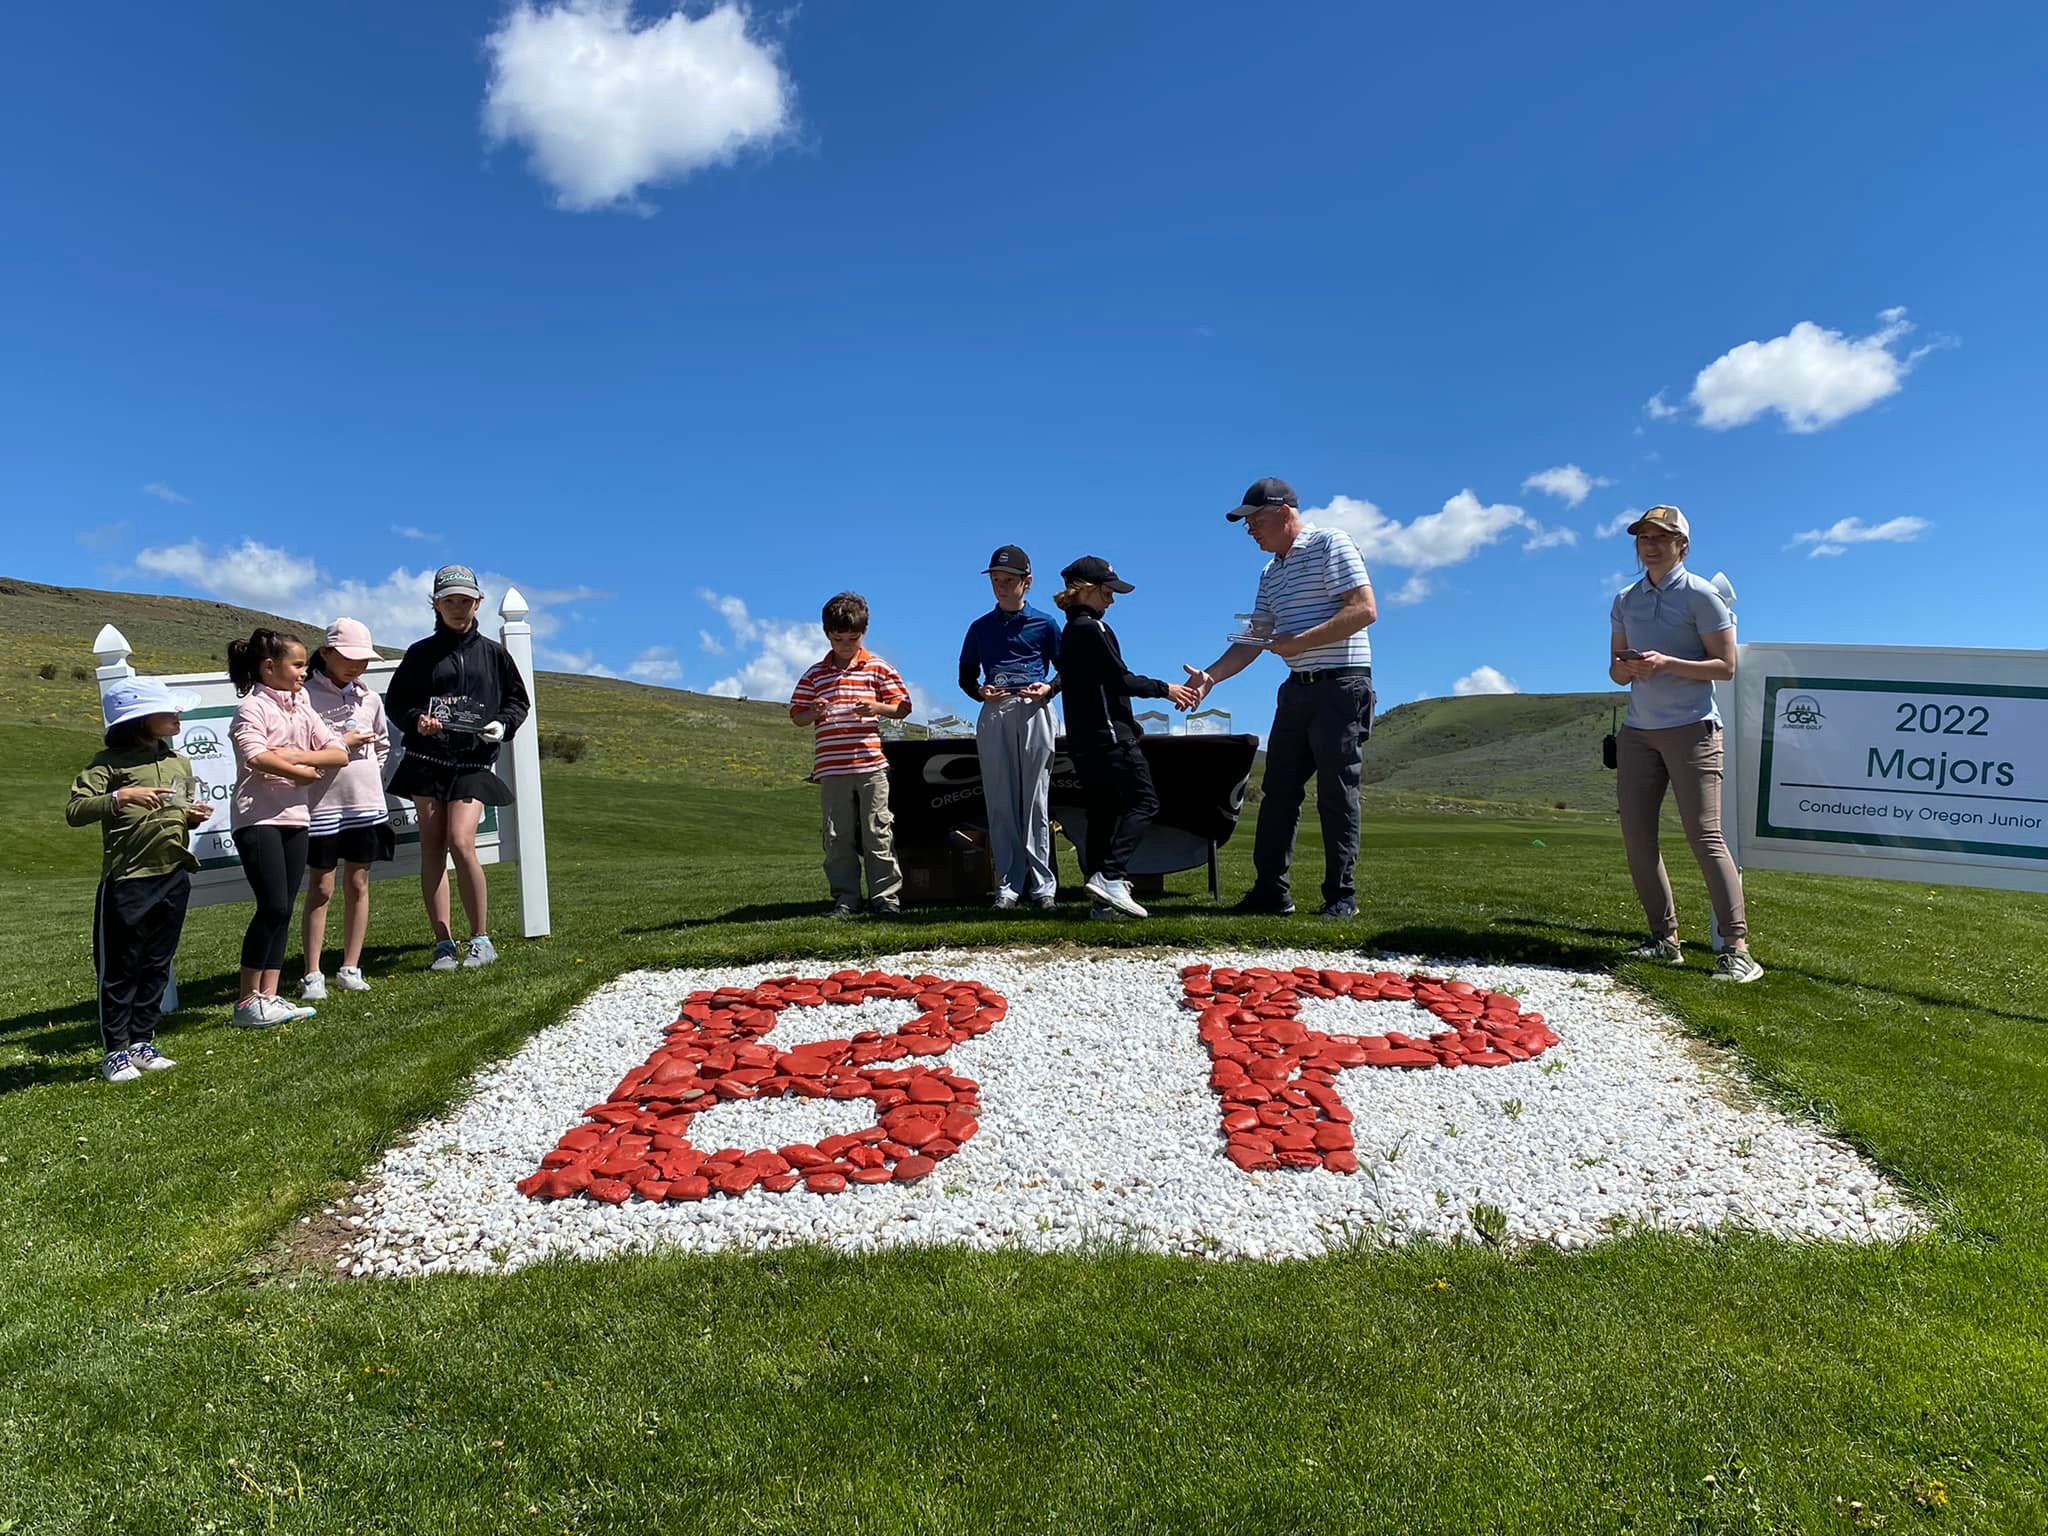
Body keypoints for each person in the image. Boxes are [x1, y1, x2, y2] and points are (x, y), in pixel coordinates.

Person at [1185, 477, 1377, 919]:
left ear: (1285, 514)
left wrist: (1300, 642)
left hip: (1341, 684)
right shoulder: (1271, 572)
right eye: (1247, 523)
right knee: (1278, 792)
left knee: (1336, 792)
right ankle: (1271, 891)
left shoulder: (1331, 543)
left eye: (1256, 520)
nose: (1250, 530)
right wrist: (1211, 677)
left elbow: (1364, 609)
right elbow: (1256, 636)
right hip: (1296, 688)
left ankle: (1341, 896)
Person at [1607, 505, 1763, 982]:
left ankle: (1737, 949)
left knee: (1705, 837)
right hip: (1638, 733)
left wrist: (1666, 663)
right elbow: (1615, 671)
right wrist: (1629, 668)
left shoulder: (1702, 596)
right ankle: (1664, 940)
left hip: (1693, 729)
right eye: (1643, 538)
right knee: (1637, 838)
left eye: (1661, 537)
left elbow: (1725, 667)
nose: (1650, 545)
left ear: (1682, 546)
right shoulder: (1625, 599)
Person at [384, 565, 531, 971]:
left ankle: (481, 938)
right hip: (427, 762)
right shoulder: (419, 653)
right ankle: (443, 943)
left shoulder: (495, 654)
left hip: (472, 762)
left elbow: (517, 701)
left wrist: (502, 725)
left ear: (477, 602)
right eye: (449, 600)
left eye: (465, 600)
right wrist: (417, 721)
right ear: (435, 604)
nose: (457, 607)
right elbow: (397, 703)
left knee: (461, 842)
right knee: (432, 847)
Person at [65, 679, 213, 1080]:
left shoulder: (179, 761)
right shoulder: (108, 763)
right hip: (128, 879)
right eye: (168, 711)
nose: (177, 715)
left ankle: (142, 1042)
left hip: (173, 874)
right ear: (140, 720)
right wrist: (121, 797)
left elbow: (180, 808)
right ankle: (115, 1051)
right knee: (120, 969)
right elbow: (75, 811)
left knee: (157, 964)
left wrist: (191, 816)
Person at [1053, 556, 1198, 920]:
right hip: (1108, 738)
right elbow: (1119, 679)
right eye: (1107, 592)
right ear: (1085, 590)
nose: (1112, 600)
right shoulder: (1092, 629)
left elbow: (1094, 687)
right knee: (1145, 801)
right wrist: (1165, 689)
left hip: (1085, 739)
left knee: (1103, 812)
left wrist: (1127, 721)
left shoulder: (1070, 632)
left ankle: (1102, 902)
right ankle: (1111, 876)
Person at [226, 627, 353, 1029]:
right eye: (297, 665)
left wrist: (296, 758)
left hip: (296, 817)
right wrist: (299, 771)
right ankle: (247, 1001)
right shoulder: (252, 708)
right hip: (258, 818)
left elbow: (338, 752)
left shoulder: (302, 707)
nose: (304, 672)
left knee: (284, 908)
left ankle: (269, 995)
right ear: (269, 667)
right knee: (273, 906)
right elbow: (256, 755)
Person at [789, 592, 914, 917]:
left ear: (864, 632)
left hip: (871, 766)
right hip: (832, 769)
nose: (845, 645)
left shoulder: (877, 667)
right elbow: (797, 715)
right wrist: (814, 711)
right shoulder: (815, 674)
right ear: (827, 634)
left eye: (852, 638)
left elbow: (903, 706)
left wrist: (876, 707)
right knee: (837, 835)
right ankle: (846, 898)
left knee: (877, 830)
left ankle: (885, 899)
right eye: (838, 639)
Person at [957, 544, 1062, 910]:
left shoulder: (1045, 623)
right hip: (996, 710)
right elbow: (966, 675)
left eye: (1008, 581)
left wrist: (1049, 688)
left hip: (1035, 708)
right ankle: (1008, 884)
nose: (1001, 587)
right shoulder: (979, 627)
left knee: (1035, 800)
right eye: (996, 581)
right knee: (1000, 800)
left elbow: (1067, 669)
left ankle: (1043, 886)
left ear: (1026, 582)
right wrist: (979, 692)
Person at [299, 618, 393, 1000]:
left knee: (358, 883)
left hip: (365, 805)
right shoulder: (302, 696)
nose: (357, 666)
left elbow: (383, 745)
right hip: (320, 806)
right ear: (326, 653)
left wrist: (370, 778)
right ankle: (312, 973)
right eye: (349, 657)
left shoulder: (370, 698)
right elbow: (298, 748)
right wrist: (343, 744)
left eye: (363, 659)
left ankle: (350, 967)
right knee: (321, 886)